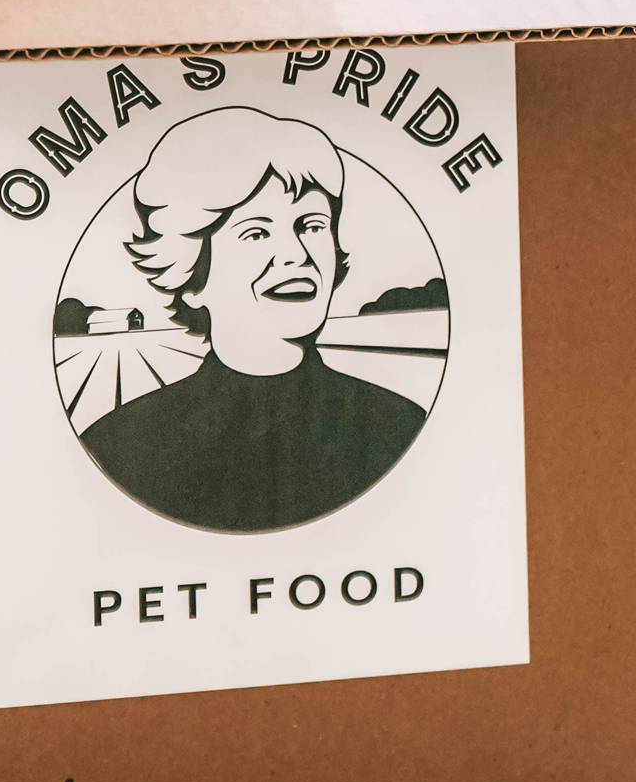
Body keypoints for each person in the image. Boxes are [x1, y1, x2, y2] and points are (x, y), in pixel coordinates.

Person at [78, 106, 427, 533]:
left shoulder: (399, 424)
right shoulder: (120, 445)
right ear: (190, 277)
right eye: (257, 233)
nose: (297, 254)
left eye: (312, 225)